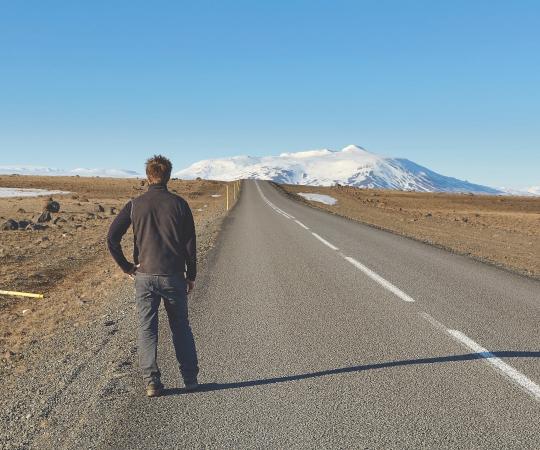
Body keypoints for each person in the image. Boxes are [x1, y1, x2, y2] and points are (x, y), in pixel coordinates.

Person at [107, 155, 199, 397]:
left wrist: (127, 267)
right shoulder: (180, 204)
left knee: (147, 329)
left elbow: (111, 239)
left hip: (145, 276)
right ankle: (190, 379)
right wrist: (192, 275)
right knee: (181, 327)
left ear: (148, 177)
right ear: (168, 176)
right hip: (174, 276)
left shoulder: (135, 204)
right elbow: (190, 244)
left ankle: (152, 383)